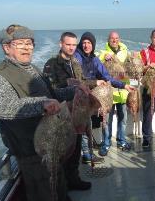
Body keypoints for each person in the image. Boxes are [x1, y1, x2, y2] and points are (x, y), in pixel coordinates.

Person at [0, 24, 85, 201]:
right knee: (45, 194)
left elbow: (52, 95)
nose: (27, 47)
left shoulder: (33, 69)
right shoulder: (0, 75)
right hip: (31, 151)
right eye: (20, 43)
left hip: (51, 142)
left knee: (60, 188)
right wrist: (41, 104)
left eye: (30, 43)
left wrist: (75, 91)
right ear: (6, 47)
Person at [43, 31, 96, 191]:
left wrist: (96, 83)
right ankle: (63, 186)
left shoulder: (75, 63)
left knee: (76, 149)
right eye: (68, 44)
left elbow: (82, 82)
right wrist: (75, 89)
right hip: (62, 115)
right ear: (61, 44)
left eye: (74, 45)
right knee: (64, 152)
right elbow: (51, 93)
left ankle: (74, 180)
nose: (72, 48)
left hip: (77, 113)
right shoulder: (51, 64)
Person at [74, 32, 135, 161]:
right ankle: (87, 154)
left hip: (92, 96)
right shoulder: (76, 57)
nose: (86, 45)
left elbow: (106, 77)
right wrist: (95, 82)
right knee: (85, 125)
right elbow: (78, 79)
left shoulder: (94, 59)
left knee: (92, 123)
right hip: (79, 96)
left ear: (93, 45)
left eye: (89, 43)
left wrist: (124, 86)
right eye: (84, 42)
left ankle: (89, 150)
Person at [98, 31, 131, 156]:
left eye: (116, 38)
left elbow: (134, 63)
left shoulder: (125, 51)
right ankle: (106, 144)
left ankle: (121, 141)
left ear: (119, 39)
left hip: (123, 92)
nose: (114, 40)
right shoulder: (103, 52)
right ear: (108, 40)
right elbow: (97, 62)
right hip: (108, 94)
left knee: (123, 119)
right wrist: (104, 58)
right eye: (112, 38)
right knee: (107, 120)